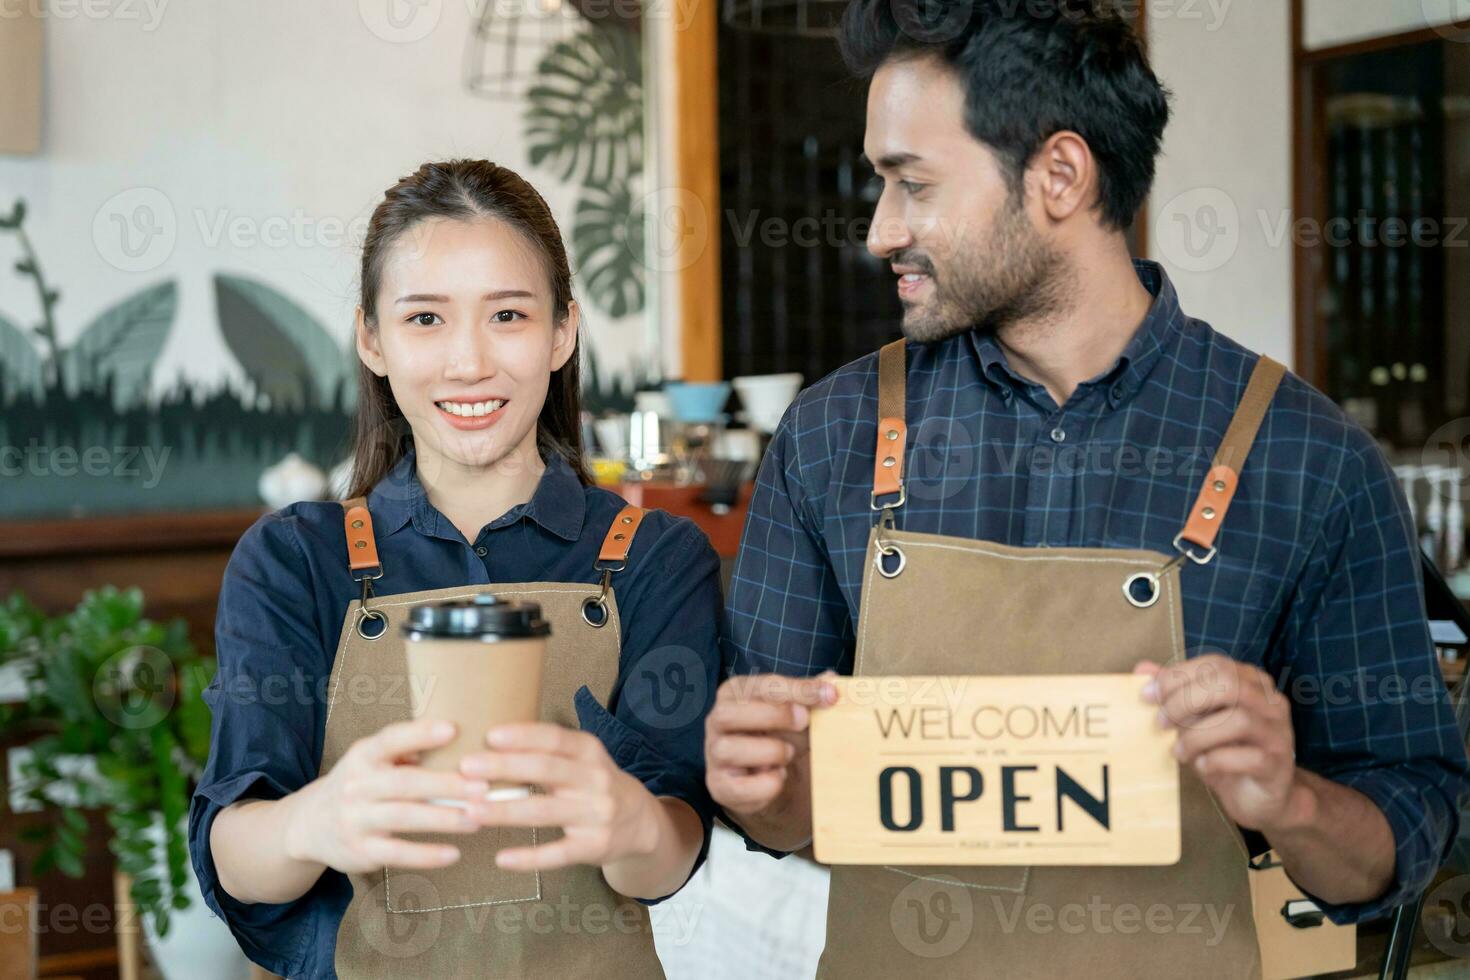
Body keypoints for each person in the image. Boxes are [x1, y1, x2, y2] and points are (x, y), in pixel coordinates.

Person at [705, 2, 1470, 976]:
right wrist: (753, 782)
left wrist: (1290, 797)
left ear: (1059, 176)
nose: (878, 230)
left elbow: (1404, 833)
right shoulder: (830, 437)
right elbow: (782, 812)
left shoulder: (1307, 458)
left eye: (913, 184)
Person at [188, 159, 720, 979]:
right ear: (373, 338)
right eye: (426, 319)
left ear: (561, 331)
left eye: (507, 314)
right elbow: (235, 856)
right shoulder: (295, 560)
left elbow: (671, 857)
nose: (468, 362)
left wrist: (636, 828)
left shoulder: (653, 555)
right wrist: (314, 823)